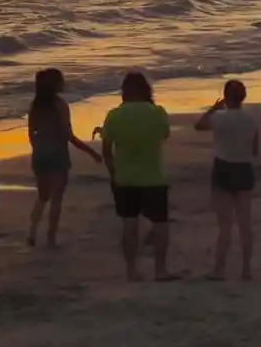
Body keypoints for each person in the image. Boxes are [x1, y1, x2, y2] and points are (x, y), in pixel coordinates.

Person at [100, 71, 173, 282]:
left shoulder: (115, 115)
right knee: (160, 223)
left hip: (125, 177)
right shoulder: (158, 113)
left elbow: (106, 150)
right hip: (153, 177)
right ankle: (160, 269)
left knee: (130, 222)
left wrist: (113, 171)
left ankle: (131, 270)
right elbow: (164, 134)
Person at [25, 68, 102, 249]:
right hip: (57, 154)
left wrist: (37, 147)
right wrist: (91, 152)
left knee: (42, 196)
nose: (64, 83)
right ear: (55, 85)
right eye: (61, 81)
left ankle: (32, 231)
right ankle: (51, 238)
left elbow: (31, 133)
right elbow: (69, 136)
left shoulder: (35, 105)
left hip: (40, 153)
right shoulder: (60, 106)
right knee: (57, 199)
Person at [195, 79, 259, 281]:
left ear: (225, 96)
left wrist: (213, 108)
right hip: (244, 167)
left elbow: (199, 125)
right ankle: (246, 269)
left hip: (224, 167)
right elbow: (254, 149)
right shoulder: (251, 119)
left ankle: (219, 269)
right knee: (245, 223)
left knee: (225, 225)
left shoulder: (219, 118)